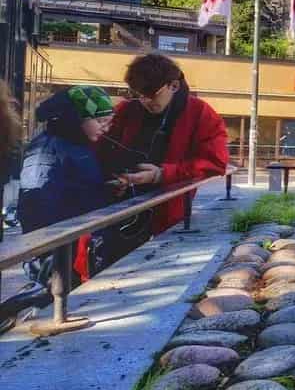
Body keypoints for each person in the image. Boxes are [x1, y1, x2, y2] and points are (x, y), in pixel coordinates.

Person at [99, 53, 228, 256]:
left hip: (168, 214)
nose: (145, 101)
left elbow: (216, 162)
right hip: (119, 209)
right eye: (138, 94)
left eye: (151, 94)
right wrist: (118, 177)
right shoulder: (127, 108)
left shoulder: (201, 113)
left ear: (174, 86)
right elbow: (103, 151)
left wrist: (162, 174)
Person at [17, 86, 115, 290]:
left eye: (108, 122)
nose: (106, 128)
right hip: (57, 255)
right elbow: (36, 208)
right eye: (100, 121)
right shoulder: (46, 150)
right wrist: (48, 263)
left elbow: (81, 188)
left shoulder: (79, 145)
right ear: (77, 118)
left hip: (81, 247)